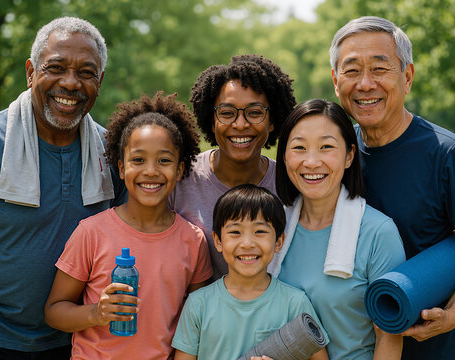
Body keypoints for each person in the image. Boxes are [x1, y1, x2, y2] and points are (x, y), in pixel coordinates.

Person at [0, 17, 127, 359]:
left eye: (86, 73)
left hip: (79, 343)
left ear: (99, 81)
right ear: (31, 72)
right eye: (56, 67)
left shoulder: (113, 153)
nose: (70, 83)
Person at [329, 16, 455, 360]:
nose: (365, 84)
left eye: (380, 69)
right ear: (336, 81)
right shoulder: (336, 155)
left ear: (408, 77)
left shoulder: (447, 154)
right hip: (354, 347)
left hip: (430, 347)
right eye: (352, 70)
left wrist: (453, 315)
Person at [44, 92, 213, 360]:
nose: (150, 171)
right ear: (121, 169)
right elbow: (54, 310)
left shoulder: (192, 240)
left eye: (164, 160)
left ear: (180, 170)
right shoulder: (91, 233)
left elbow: (200, 320)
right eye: (138, 160)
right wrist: (95, 313)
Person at [270, 99, 406, 359]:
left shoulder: (378, 233)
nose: (311, 162)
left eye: (326, 147)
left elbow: (388, 337)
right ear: (285, 156)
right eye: (299, 147)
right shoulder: (273, 226)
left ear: (349, 156)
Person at [171, 54, 296, 281]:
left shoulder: (290, 184)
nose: (240, 124)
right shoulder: (181, 179)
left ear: (272, 121)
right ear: (211, 120)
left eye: (255, 113)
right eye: (227, 113)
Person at [172, 184, 329, 360]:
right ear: (218, 241)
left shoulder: (295, 303)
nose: (247, 243)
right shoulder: (198, 305)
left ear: (279, 241)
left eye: (260, 231)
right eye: (235, 232)